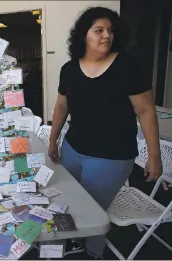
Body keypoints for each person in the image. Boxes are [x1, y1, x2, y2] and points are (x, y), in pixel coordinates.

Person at [48, 7, 162, 259]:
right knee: (70, 201)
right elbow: (60, 107)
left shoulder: (129, 66)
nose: (106, 36)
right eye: (98, 30)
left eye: (110, 30)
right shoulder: (69, 69)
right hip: (73, 148)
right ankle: (70, 242)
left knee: (93, 211)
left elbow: (145, 110)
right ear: (84, 36)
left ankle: (91, 253)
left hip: (111, 156)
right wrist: (53, 139)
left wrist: (154, 155)